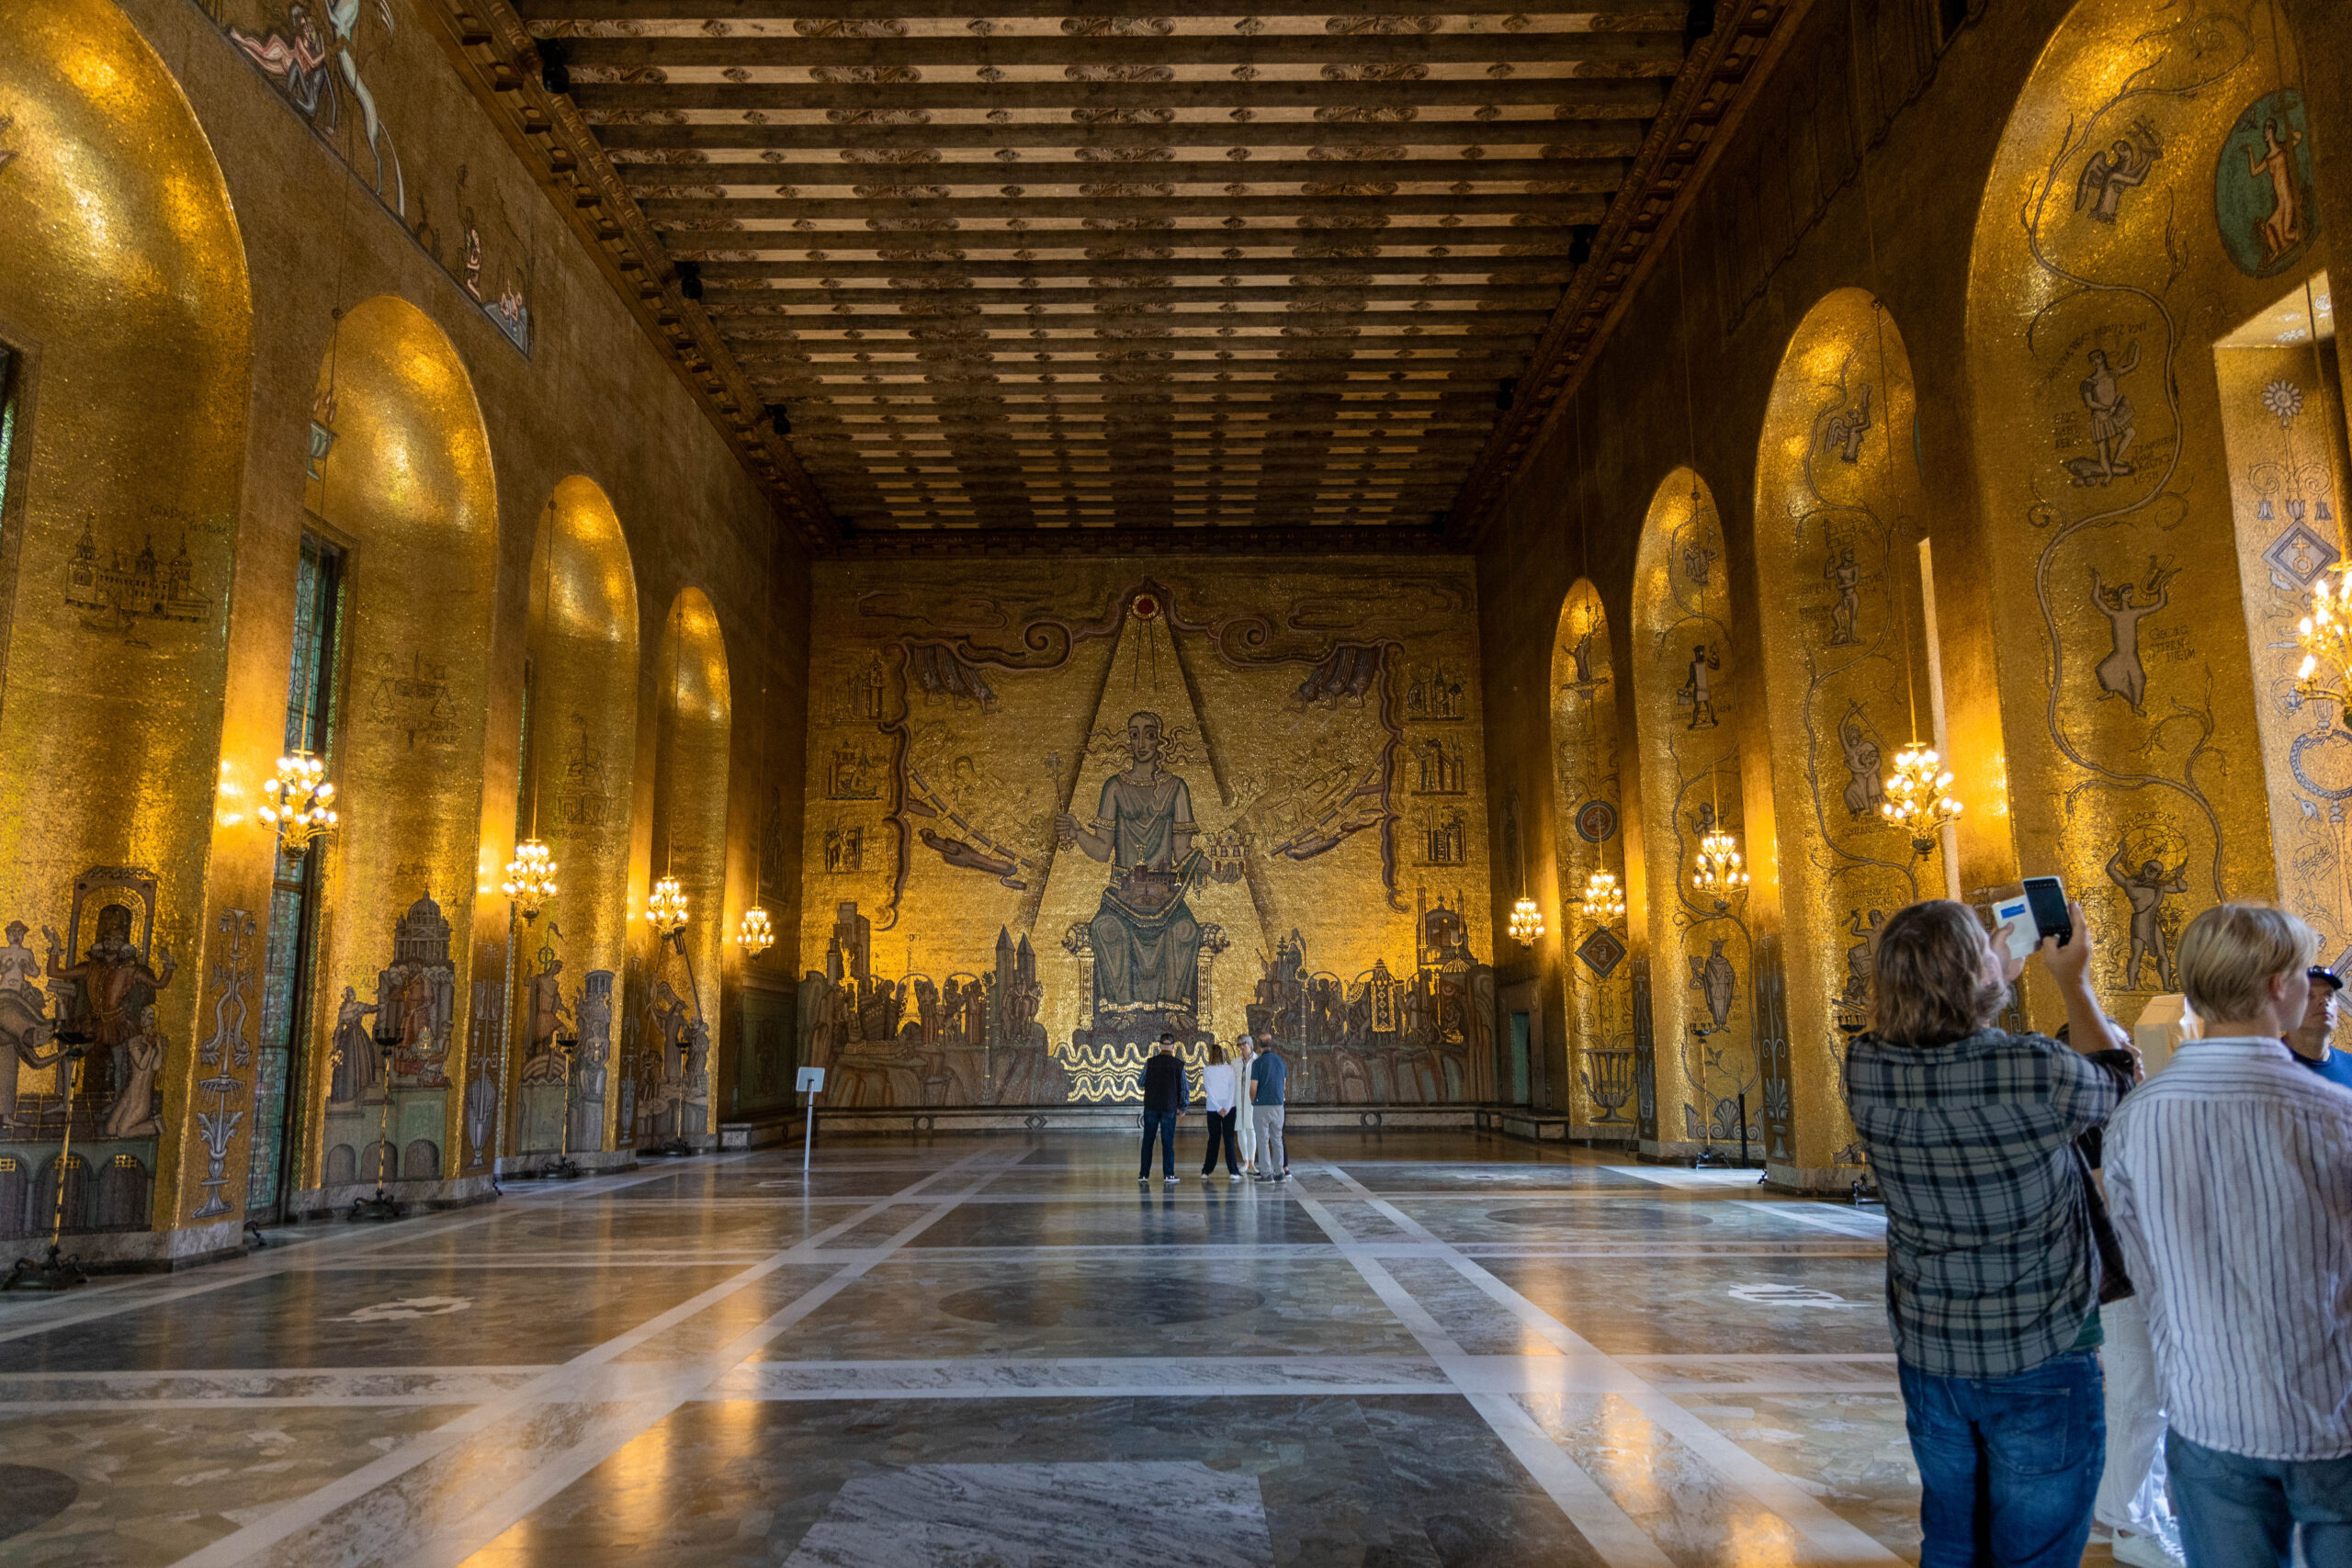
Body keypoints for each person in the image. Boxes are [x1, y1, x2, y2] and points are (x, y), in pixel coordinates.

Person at [1846, 897, 2133, 1568]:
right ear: (1973, 974)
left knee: (1950, 1540)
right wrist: (2072, 980)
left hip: (1931, 1344)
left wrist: (1986, 974)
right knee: (2032, 1550)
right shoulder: (2031, 1069)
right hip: (2040, 1349)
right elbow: (2120, 1084)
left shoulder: (1865, 1066)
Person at [2106, 905, 2352, 1568]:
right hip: (2331, 1412)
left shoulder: (2136, 1119)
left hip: (2206, 1409)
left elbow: (2143, 1269)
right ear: (2278, 985)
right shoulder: (2333, 1114)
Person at [2285, 962, 2352, 1092]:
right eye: (2309, 996)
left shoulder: (2350, 1067)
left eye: (2329, 995)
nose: (2324, 1001)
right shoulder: (2264, 1064)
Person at [1138, 1033, 1184, 1185]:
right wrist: (1183, 1106)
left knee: (1148, 1141)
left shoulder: (1150, 1062)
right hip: (1169, 1107)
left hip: (1151, 1105)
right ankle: (1168, 1175)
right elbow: (1183, 1087)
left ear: (1159, 1046)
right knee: (1167, 1142)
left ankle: (1144, 1175)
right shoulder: (1178, 1064)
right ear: (1172, 1046)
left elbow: (1141, 1081)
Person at [1199, 1040, 1241, 1180]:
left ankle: (1207, 1170)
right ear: (1223, 1055)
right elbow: (1232, 1089)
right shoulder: (1229, 1069)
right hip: (1230, 1108)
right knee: (1229, 1139)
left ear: (1210, 1056)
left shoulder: (1207, 1070)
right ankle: (1233, 1171)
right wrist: (1227, 1107)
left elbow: (1209, 1091)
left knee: (1213, 1140)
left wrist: (1218, 1108)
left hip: (1213, 1109)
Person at [1250, 1036, 1288, 1181]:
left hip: (1262, 1106)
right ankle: (1279, 1173)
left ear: (1259, 1046)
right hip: (1278, 1105)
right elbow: (1283, 1086)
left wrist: (1253, 1101)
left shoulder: (1258, 1063)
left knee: (1263, 1140)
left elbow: (1253, 1087)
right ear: (1271, 1044)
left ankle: (1267, 1174)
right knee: (1277, 1139)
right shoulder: (1281, 1061)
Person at [1233, 1034, 1259, 1176]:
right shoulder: (1235, 1062)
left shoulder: (1257, 1061)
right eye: (1239, 1045)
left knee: (1251, 1130)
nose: (1242, 1047)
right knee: (1240, 1130)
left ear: (1250, 1043)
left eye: (1243, 1043)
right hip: (1239, 1099)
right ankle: (1245, 1162)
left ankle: (1252, 1163)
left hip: (1252, 1100)